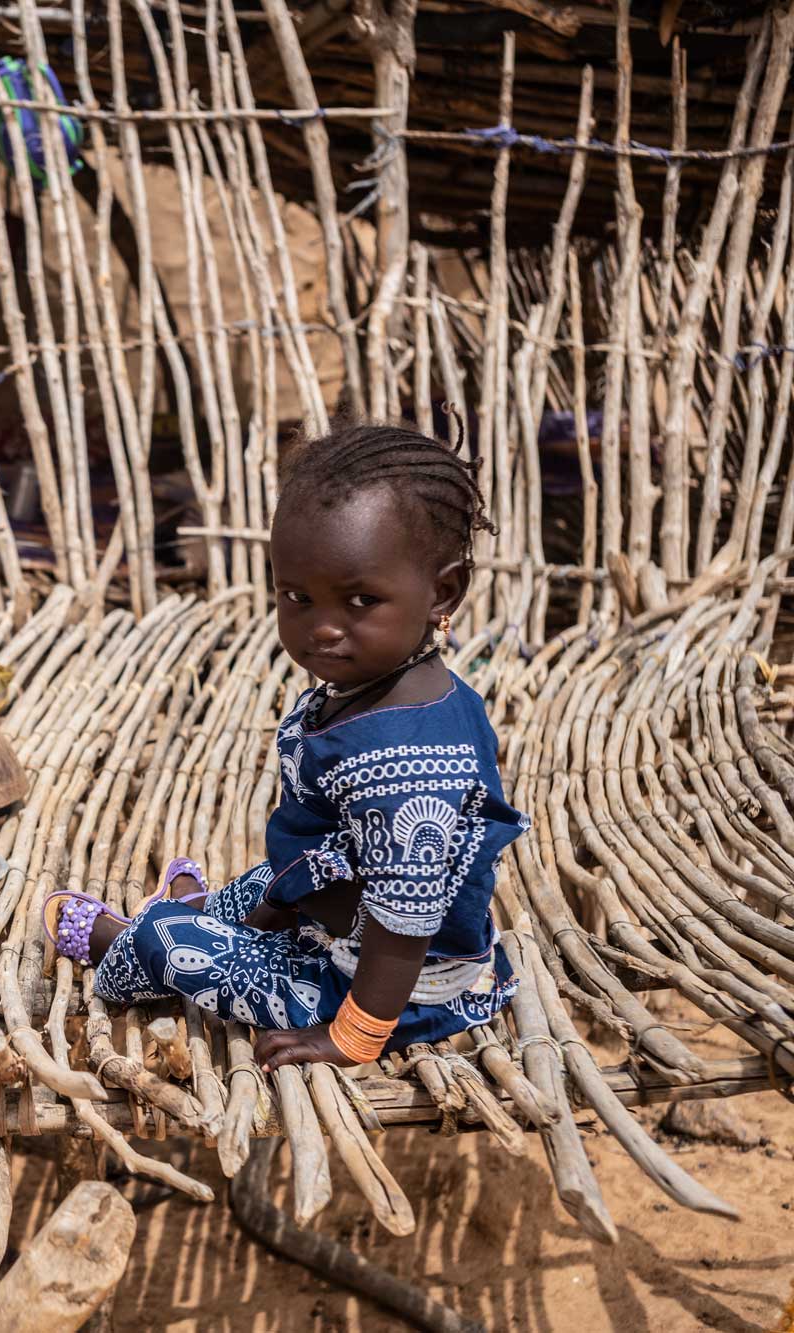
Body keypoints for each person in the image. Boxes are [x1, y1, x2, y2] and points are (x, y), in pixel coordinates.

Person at [43, 423, 528, 1072]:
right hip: (336, 915)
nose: (322, 626)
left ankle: (126, 945)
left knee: (170, 939)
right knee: (258, 885)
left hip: (387, 989)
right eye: (297, 597)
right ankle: (200, 913)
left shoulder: (407, 767)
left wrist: (350, 1037)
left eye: (361, 599)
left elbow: (402, 930)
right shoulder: (389, 684)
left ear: (442, 592)